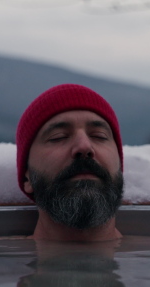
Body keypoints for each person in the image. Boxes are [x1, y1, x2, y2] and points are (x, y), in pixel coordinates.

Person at [16, 84, 124, 242]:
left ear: (120, 167)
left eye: (99, 135)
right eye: (58, 137)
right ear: (27, 178)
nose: (84, 146)